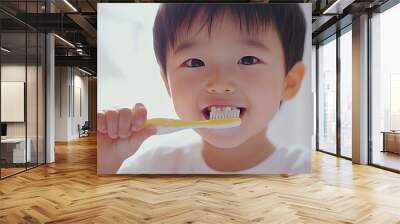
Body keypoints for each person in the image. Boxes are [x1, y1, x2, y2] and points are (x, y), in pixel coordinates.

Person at [97, 3, 310, 174]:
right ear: (167, 84)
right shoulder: (151, 167)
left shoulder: (305, 171)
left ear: (289, 82)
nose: (220, 84)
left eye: (248, 59)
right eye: (194, 63)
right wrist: (106, 161)